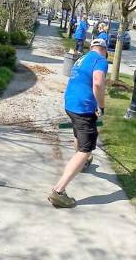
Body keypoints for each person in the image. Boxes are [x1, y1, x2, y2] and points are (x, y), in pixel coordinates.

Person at [48, 38, 108, 208]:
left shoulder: (83, 58)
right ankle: (58, 191)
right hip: (83, 107)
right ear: (104, 49)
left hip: (71, 103)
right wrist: (101, 106)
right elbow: (98, 82)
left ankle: (83, 163)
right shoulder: (100, 60)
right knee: (86, 148)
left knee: (78, 133)